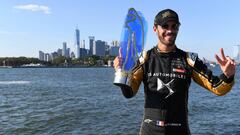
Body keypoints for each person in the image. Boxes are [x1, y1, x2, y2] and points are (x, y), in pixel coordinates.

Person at [113, 9, 236, 135]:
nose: (170, 30)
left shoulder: (189, 60)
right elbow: (129, 93)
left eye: (174, 26)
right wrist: (122, 72)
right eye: (165, 26)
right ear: (155, 29)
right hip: (149, 131)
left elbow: (217, 88)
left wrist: (228, 75)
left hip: (179, 130)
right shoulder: (145, 59)